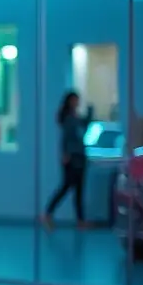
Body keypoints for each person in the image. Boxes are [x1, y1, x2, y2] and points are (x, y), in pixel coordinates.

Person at [42, 91, 95, 229]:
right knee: (66, 186)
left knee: (79, 190)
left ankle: (80, 220)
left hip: (80, 156)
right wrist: (65, 154)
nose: (77, 103)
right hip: (72, 157)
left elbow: (85, 125)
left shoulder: (75, 117)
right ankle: (47, 213)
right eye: (75, 100)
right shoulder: (67, 118)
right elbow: (66, 138)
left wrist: (90, 111)